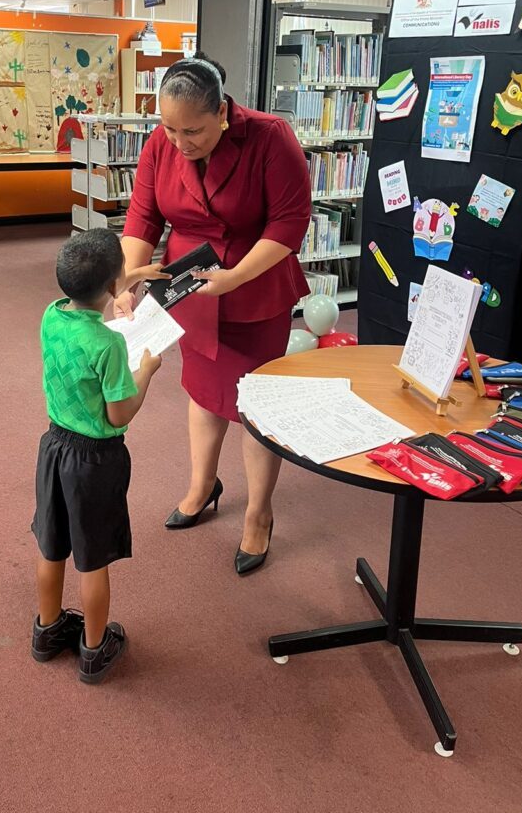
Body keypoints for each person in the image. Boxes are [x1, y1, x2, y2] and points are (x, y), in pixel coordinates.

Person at [116, 53, 311, 575]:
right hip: (190, 285)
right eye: (168, 127)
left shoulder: (271, 137)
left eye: (193, 131)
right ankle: (203, 486)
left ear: (223, 111)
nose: (179, 142)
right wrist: (130, 279)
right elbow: (144, 213)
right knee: (202, 390)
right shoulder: (163, 142)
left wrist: (235, 277)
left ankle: (259, 514)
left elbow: (290, 223)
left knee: (254, 405)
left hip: (254, 286)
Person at [30, 229, 161, 683]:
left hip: (54, 447)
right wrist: (145, 372)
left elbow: (96, 291)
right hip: (95, 460)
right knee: (92, 556)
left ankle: (46, 631)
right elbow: (120, 411)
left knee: (52, 544)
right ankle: (94, 646)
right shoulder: (109, 345)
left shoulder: (51, 315)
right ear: (111, 287)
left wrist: (136, 273)